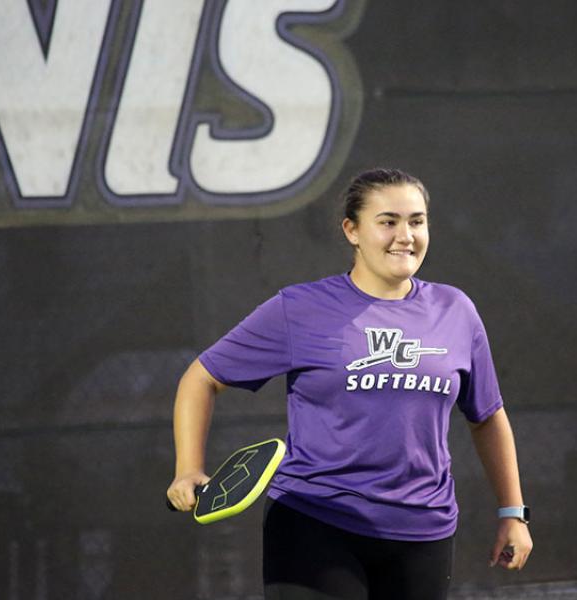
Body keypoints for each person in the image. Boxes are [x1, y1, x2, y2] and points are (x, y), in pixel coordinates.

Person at [167, 168, 533, 599]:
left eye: (417, 221)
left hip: (424, 532)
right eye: (388, 222)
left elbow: (487, 416)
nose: (405, 235)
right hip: (315, 524)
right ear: (352, 231)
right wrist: (187, 468)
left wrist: (513, 512)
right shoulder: (299, 309)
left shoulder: (456, 310)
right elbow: (201, 378)